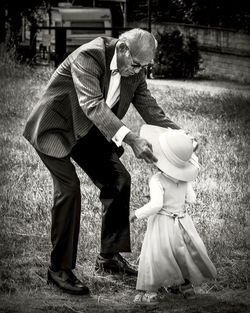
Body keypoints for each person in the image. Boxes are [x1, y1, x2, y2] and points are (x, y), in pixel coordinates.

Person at [23, 28, 184, 295]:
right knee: (69, 190)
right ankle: (58, 269)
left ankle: (109, 258)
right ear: (122, 48)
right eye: (135, 64)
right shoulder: (89, 56)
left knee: (119, 180)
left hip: (88, 131)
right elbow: (93, 105)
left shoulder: (135, 69)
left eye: (143, 67)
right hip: (56, 127)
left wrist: (182, 137)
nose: (137, 71)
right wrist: (131, 139)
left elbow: (149, 107)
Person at [130, 125, 216, 304]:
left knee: (157, 256)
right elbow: (191, 199)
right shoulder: (185, 180)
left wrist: (135, 214)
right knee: (181, 255)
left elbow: (156, 204)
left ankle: (151, 292)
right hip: (182, 222)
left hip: (162, 224)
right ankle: (185, 287)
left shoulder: (157, 180)